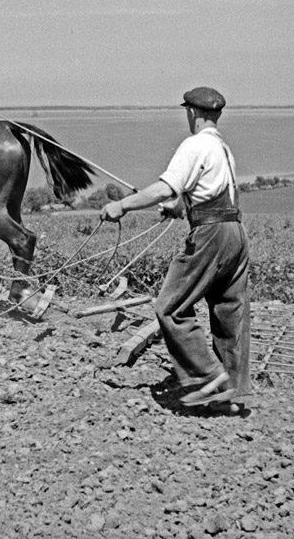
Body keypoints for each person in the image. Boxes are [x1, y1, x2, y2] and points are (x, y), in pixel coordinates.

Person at [100, 86, 251, 413]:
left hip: (210, 234)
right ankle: (232, 392)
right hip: (235, 231)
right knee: (228, 314)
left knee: (170, 307)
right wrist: (178, 206)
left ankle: (208, 379)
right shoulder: (222, 148)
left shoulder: (194, 144)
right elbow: (206, 192)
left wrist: (122, 205)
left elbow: (165, 187)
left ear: (192, 113)